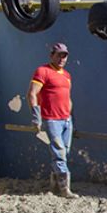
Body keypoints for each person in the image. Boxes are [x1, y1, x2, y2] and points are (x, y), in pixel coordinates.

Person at [28, 42, 77, 198]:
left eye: (65, 55)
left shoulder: (67, 75)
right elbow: (32, 93)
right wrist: (36, 116)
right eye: (59, 55)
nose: (62, 58)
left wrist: (70, 116)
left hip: (66, 120)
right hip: (51, 119)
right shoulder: (43, 71)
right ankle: (64, 190)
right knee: (59, 153)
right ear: (52, 55)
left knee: (64, 152)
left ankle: (55, 186)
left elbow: (67, 98)